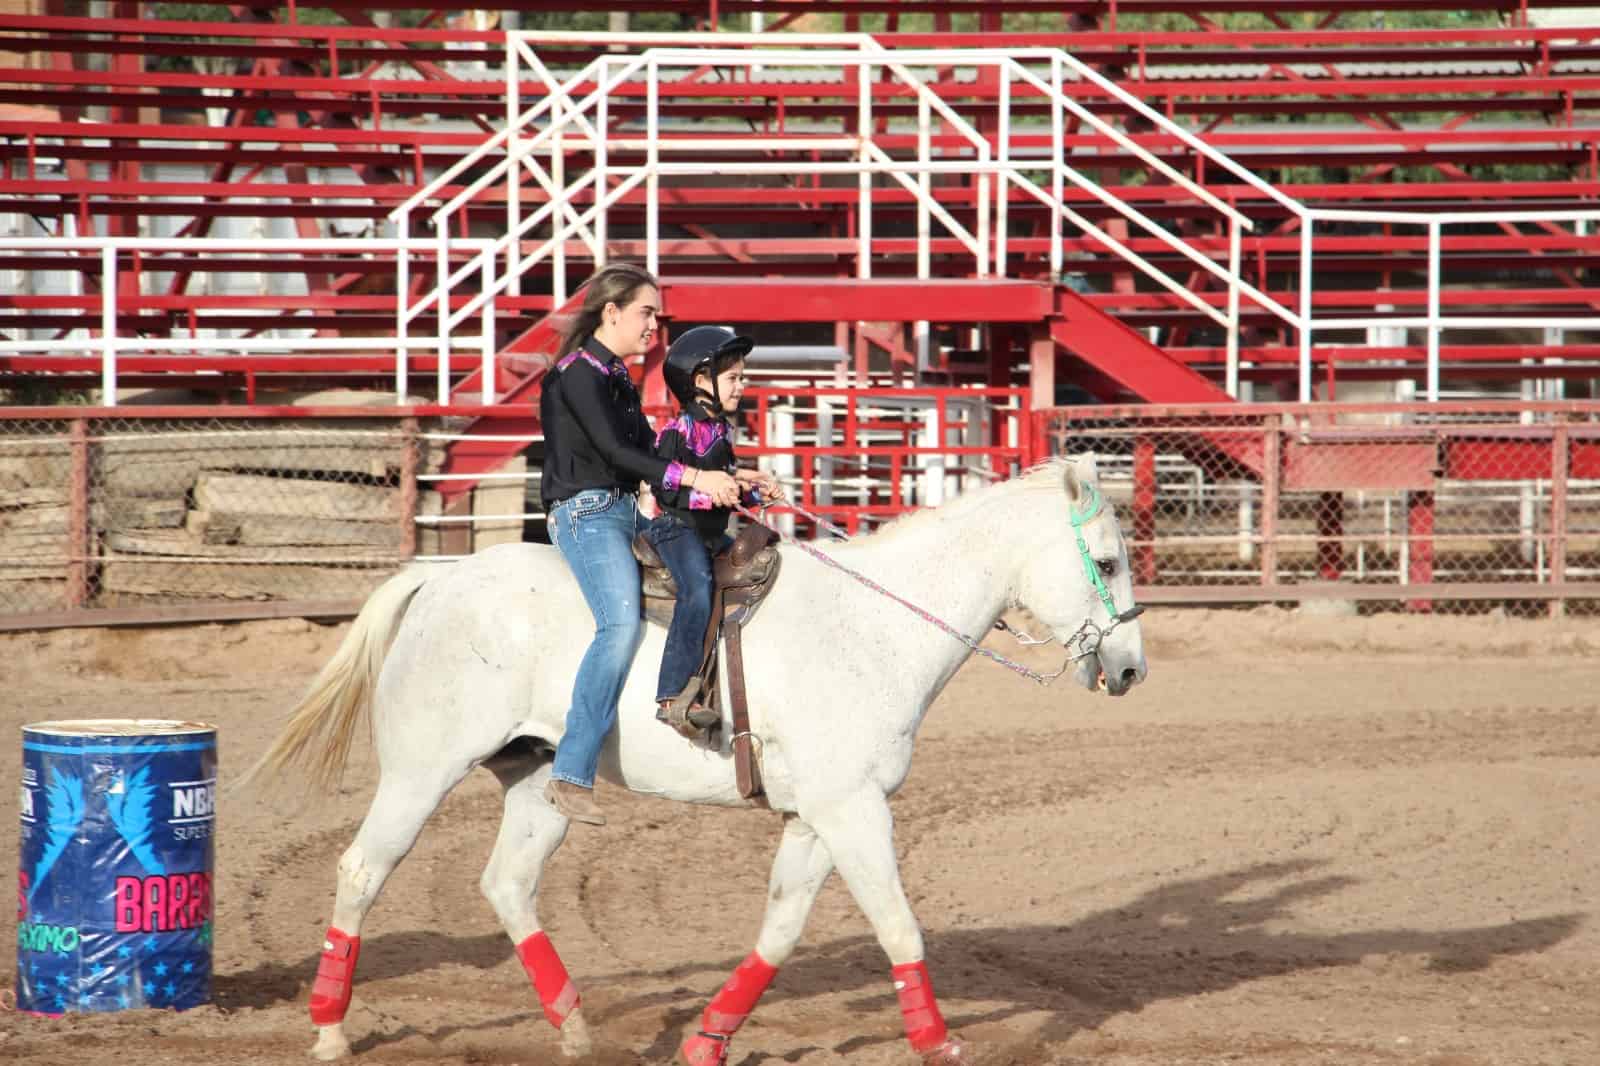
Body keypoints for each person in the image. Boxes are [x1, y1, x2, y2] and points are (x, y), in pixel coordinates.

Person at [539, 264, 741, 827]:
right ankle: (572, 771)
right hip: (586, 514)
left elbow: (650, 450)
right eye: (646, 312)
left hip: (624, 512)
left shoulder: (615, 376)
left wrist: (732, 480)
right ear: (611, 312)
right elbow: (617, 452)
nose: (655, 324)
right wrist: (697, 480)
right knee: (621, 624)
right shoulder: (577, 373)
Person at [643, 326, 783, 738]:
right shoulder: (676, 431)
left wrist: (756, 492)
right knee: (698, 588)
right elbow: (666, 488)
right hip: (676, 529)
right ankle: (672, 695)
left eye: (743, 377)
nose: (742, 385)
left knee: (761, 566)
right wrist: (719, 493)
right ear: (701, 382)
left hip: (707, 532)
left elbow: (725, 480)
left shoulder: (720, 431)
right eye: (733, 378)